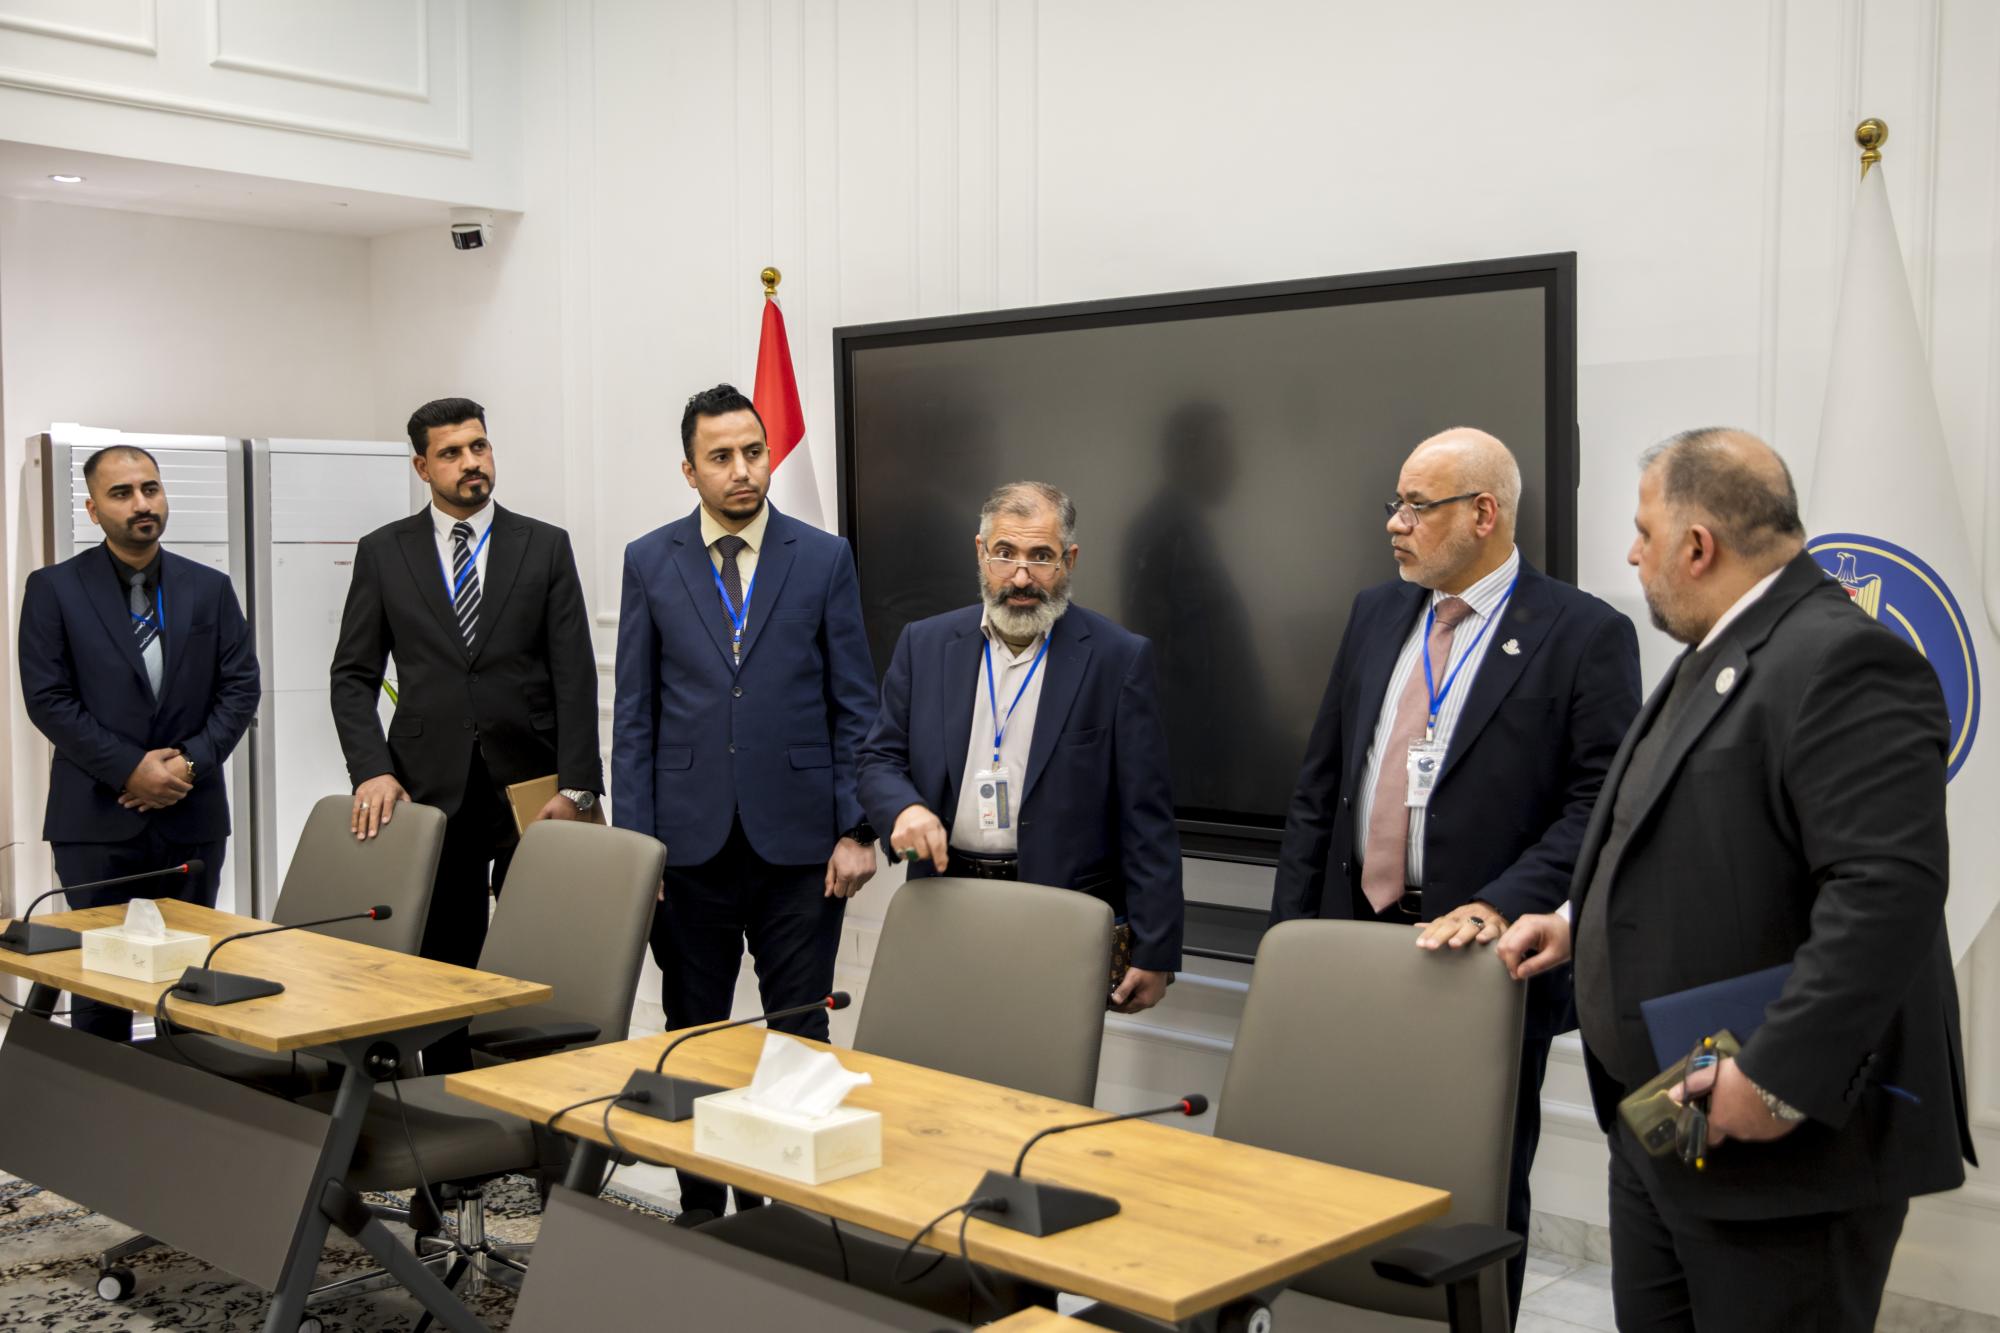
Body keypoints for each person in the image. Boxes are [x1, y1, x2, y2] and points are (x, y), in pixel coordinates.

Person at [1497, 428, 1975, 1333]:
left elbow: (1886, 894)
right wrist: (1575, 917)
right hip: (1666, 1121)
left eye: (1643, 532)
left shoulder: (1843, 659)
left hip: (1780, 1152)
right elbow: (1678, 833)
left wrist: (1776, 1079)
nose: (1631, 554)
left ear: (1697, 545)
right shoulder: (1725, 645)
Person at [1270, 427, 1640, 1318]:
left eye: (1416, 506)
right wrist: (1288, 940)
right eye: (1394, 504)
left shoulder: (1583, 632)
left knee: (1472, 1186)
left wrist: (1501, 901)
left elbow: (1600, 803)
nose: (1393, 523)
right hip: (1352, 939)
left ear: (1484, 513)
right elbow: (1323, 784)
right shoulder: (1375, 613)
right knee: (1340, 1162)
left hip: (1480, 958)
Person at [612, 383, 878, 1221]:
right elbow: (634, 717)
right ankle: (702, 1210)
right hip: (686, 849)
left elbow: (855, 704)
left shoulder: (823, 556)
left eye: (754, 452)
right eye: (721, 456)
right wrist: (639, 851)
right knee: (694, 1034)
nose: (743, 470)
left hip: (801, 848)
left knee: (798, 1035)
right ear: (689, 470)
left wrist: (858, 826)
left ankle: (784, 1218)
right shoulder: (650, 559)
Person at [858, 480, 1183, 1014]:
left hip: (1061, 911)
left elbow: (1146, 815)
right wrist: (904, 809)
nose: (1021, 577)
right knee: (937, 1051)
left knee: (1044, 1059)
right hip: (943, 899)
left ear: (1069, 560)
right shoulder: (925, 644)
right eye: (1005, 554)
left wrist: (1156, 948)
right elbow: (879, 758)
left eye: (1041, 557)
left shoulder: (1117, 659)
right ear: (980, 553)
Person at [330, 397, 602, 977]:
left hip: (532, 786)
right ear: (422, 467)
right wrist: (371, 770)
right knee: (443, 959)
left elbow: (575, 674)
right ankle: (451, 1043)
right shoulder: (383, 552)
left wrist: (578, 786)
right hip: (427, 786)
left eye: (479, 446)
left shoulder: (545, 545)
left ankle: (523, 1044)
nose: (471, 462)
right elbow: (352, 676)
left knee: (541, 951)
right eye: (451, 453)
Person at [18, 445, 260, 1040]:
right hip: (96, 822)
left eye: (150, 488)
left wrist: (187, 765)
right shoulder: (54, 589)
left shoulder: (209, 587)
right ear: (93, 509)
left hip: (191, 817)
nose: (141, 503)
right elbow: (48, 699)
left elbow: (240, 688)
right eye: (121, 493)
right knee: (102, 987)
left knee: (192, 986)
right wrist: (130, 769)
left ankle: (188, 1093)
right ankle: (103, 1099)